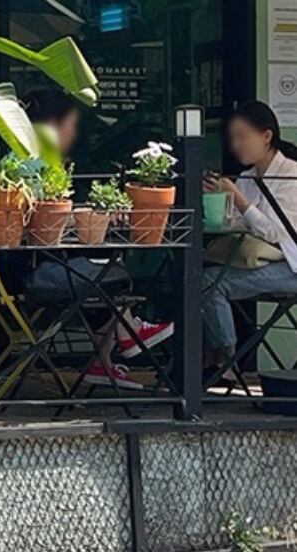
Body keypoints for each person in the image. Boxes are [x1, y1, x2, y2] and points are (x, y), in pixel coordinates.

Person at [21, 88, 173, 388]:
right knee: (112, 272)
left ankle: (105, 358)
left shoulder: (27, 159)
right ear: (53, 126)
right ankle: (129, 332)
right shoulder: (37, 164)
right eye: (71, 125)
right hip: (35, 271)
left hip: (24, 266)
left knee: (103, 269)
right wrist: (93, 216)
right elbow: (41, 220)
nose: (74, 133)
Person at [202, 100, 297, 370]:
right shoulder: (246, 177)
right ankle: (218, 357)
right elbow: (236, 225)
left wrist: (238, 199)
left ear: (266, 136)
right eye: (233, 138)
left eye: (242, 136)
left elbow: (276, 232)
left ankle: (226, 360)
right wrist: (218, 201)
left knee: (211, 283)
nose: (236, 145)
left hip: (290, 266)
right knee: (198, 277)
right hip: (258, 259)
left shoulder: (291, 175)